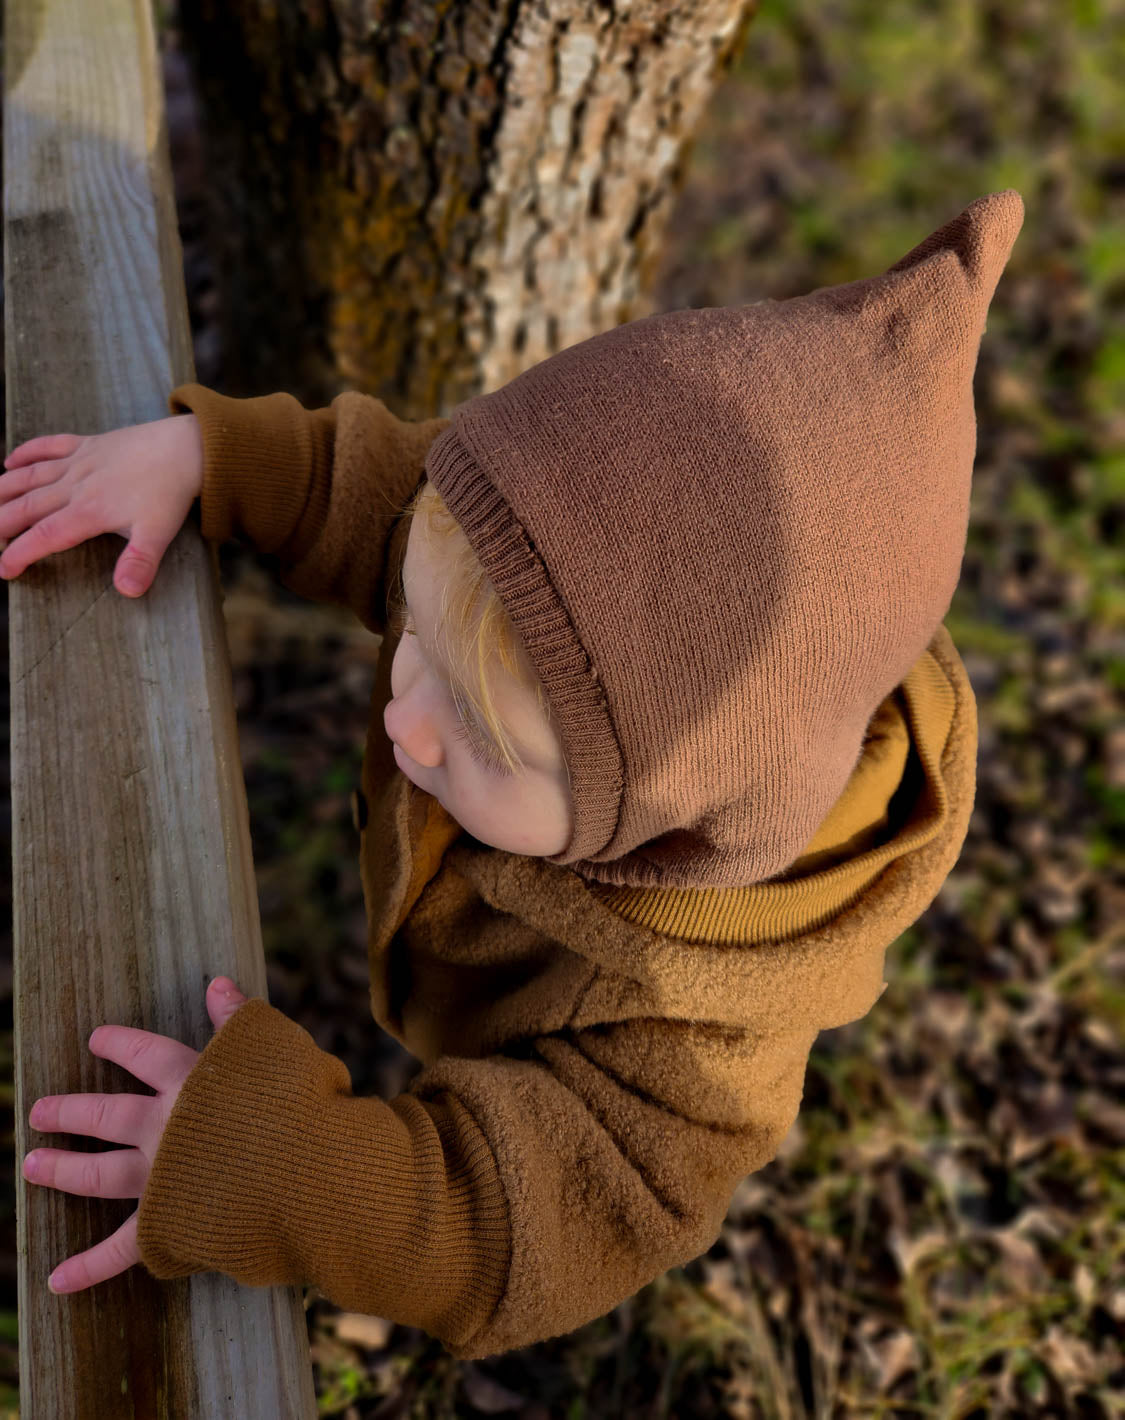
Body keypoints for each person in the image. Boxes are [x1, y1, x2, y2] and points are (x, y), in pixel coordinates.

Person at [6, 190, 1024, 1358]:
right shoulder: (515, 590)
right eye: (419, 640)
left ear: (676, 822)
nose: (409, 714)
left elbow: (504, 1234)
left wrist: (275, 1165)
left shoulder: (706, 1046)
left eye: (483, 735)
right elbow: (394, 503)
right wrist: (221, 459)